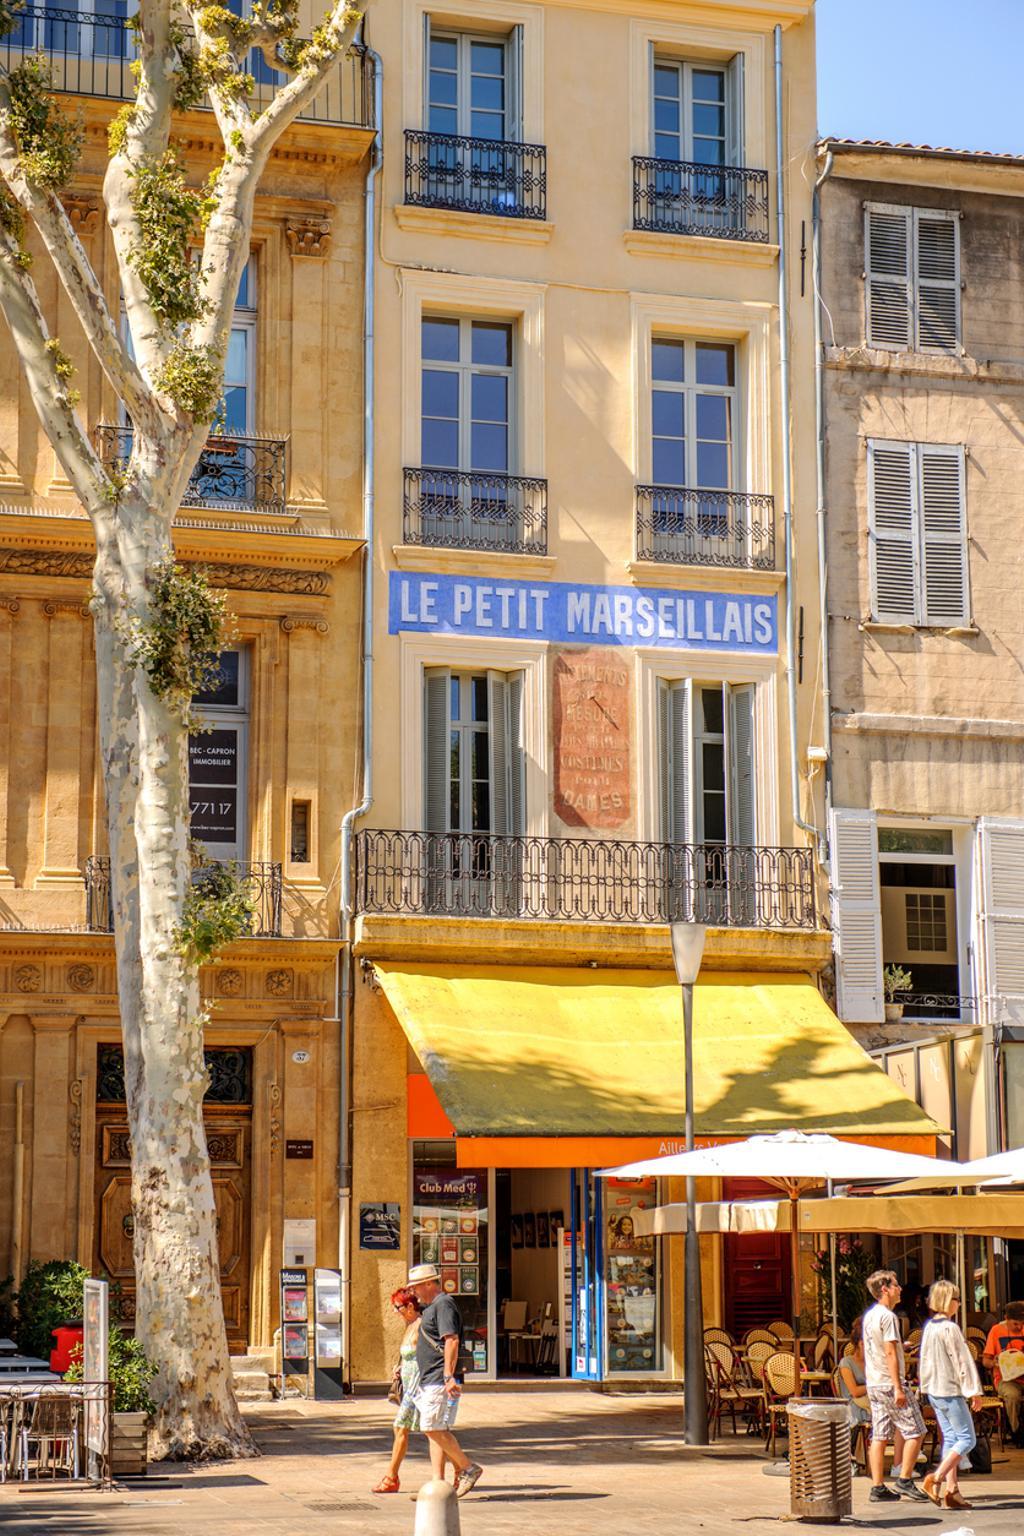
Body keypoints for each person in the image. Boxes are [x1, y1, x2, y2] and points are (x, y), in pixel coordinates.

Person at [407, 1262, 484, 1498]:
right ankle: (438, 1484)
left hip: (439, 1378)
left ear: (430, 1283)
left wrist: (449, 1376)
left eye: (417, 1286)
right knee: (435, 1427)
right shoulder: (431, 1307)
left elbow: (451, 1340)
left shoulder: (444, 1304)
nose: (414, 1292)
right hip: (429, 1378)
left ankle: (468, 1468)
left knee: (431, 1427)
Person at [862, 1269, 927, 1502]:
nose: (900, 1289)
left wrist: (902, 1346)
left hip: (875, 1383)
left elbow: (884, 1347)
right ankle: (905, 1479)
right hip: (890, 1383)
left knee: (879, 1435)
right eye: (896, 1285)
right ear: (885, 1289)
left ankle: (878, 1486)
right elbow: (889, 1352)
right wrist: (899, 1387)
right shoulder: (889, 1317)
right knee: (917, 1431)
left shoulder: (870, 1315)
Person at [918, 1280, 982, 1511]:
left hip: (935, 1390)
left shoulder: (929, 1327)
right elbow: (962, 1361)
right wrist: (973, 1390)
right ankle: (935, 1478)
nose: (958, 1303)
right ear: (948, 1301)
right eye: (956, 1299)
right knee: (967, 1439)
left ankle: (952, 1490)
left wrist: (924, 1387)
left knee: (952, 1439)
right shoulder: (950, 1328)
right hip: (950, 1390)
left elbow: (924, 1360)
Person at [372, 1287, 424, 1495]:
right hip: (409, 1387)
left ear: (410, 1306)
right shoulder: (409, 1325)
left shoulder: (421, 1326)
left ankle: (391, 1477)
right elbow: (409, 1356)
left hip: (417, 1387)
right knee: (432, 1432)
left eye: (398, 1307)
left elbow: (424, 1356)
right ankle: (460, 1467)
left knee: (403, 1427)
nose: (395, 1312)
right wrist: (400, 1369)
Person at [982, 1299, 1024, 1448]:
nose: (1019, 1327)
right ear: (1006, 1319)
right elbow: (985, 1361)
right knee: (1013, 1395)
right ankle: (1016, 1431)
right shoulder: (996, 1331)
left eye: (1021, 1323)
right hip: (1005, 1379)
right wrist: (997, 1363)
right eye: (1015, 1324)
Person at [837, 1315, 871, 1471]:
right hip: (853, 1403)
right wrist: (873, 1385)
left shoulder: (872, 1363)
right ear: (859, 1344)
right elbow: (854, 1391)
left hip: (870, 1401)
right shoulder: (846, 1363)